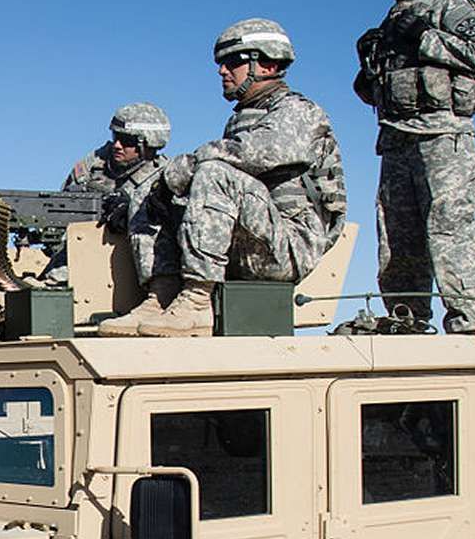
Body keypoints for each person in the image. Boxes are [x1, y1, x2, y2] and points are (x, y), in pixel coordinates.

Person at [102, 20, 346, 337]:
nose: (222, 71)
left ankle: (197, 301)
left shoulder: (300, 112)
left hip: (289, 248)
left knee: (214, 172)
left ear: (268, 64)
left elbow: (256, 153)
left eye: (234, 62)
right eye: (221, 63)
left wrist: (189, 165)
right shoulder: (240, 121)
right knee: (150, 185)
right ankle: (161, 294)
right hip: (247, 245)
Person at [354, 0, 475, 334]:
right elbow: (372, 91)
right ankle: (407, 320)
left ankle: (468, 325)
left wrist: (425, 37)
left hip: (443, 139)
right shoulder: (391, 18)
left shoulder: (449, 5)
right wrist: (370, 64)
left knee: (449, 229)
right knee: (397, 238)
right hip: (396, 140)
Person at [44, 102, 171, 288]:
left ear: (148, 144)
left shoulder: (164, 176)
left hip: (134, 263)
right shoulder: (93, 166)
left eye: (127, 141)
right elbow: (62, 209)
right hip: (82, 252)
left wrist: (128, 212)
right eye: (115, 137)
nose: (117, 146)